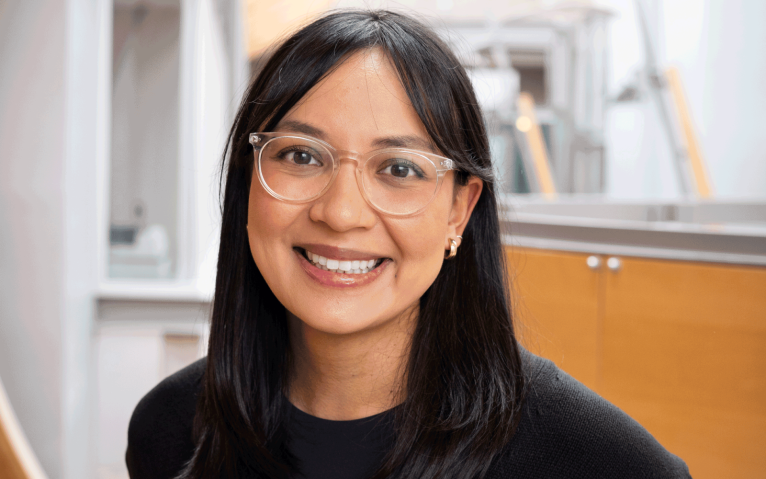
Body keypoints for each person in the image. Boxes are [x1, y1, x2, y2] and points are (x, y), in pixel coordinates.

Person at [125, 9, 691, 479]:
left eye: (398, 168)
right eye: (300, 155)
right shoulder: (171, 429)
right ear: (248, 180)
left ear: (459, 211)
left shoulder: (588, 459)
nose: (341, 213)